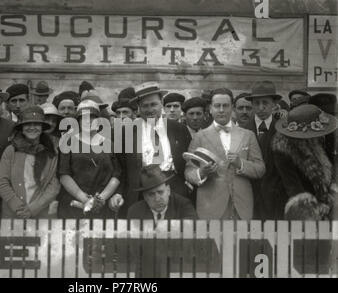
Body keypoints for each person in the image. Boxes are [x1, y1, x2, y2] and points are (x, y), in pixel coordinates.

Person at [184, 88, 265, 220]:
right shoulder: (199, 137)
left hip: (241, 204)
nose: (221, 110)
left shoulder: (248, 135)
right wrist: (202, 173)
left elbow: (260, 169)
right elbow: (188, 172)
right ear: (210, 108)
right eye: (217, 106)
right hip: (210, 205)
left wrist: (241, 164)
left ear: (232, 108)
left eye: (225, 106)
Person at [118, 82, 191, 217]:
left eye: (153, 104)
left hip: (174, 189)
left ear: (161, 103)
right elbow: (122, 168)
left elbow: (188, 161)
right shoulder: (127, 132)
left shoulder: (178, 128)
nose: (150, 109)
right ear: (138, 108)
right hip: (141, 191)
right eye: (145, 106)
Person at [58, 100, 123, 218]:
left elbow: (116, 174)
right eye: (83, 118)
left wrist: (101, 199)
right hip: (74, 206)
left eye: (92, 117)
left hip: (102, 206)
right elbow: (64, 174)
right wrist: (84, 198)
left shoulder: (109, 144)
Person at [271, 104, 338, 220]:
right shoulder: (282, 149)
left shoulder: (314, 141)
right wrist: (316, 208)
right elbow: (293, 186)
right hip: (297, 210)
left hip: (322, 206)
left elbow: (327, 170)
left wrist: (329, 197)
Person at [0, 106, 61, 219]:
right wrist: (19, 208)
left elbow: (54, 185)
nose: (32, 128)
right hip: (13, 214)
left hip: (41, 215)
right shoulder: (10, 151)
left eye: (36, 124)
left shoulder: (52, 152)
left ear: (42, 128)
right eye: (27, 124)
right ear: (21, 128)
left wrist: (33, 209)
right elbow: (3, 183)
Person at [243, 81, 283, 220]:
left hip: (276, 198)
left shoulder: (282, 129)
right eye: (257, 103)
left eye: (265, 102)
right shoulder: (242, 130)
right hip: (249, 196)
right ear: (252, 105)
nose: (261, 107)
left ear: (274, 103)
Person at [127, 165, 197, 222]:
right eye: (151, 194)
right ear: (145, 197)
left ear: (168, 190)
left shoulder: (183, 206)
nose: (157, 199)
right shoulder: (134, 212)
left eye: (160, 192)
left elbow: (193, 229)